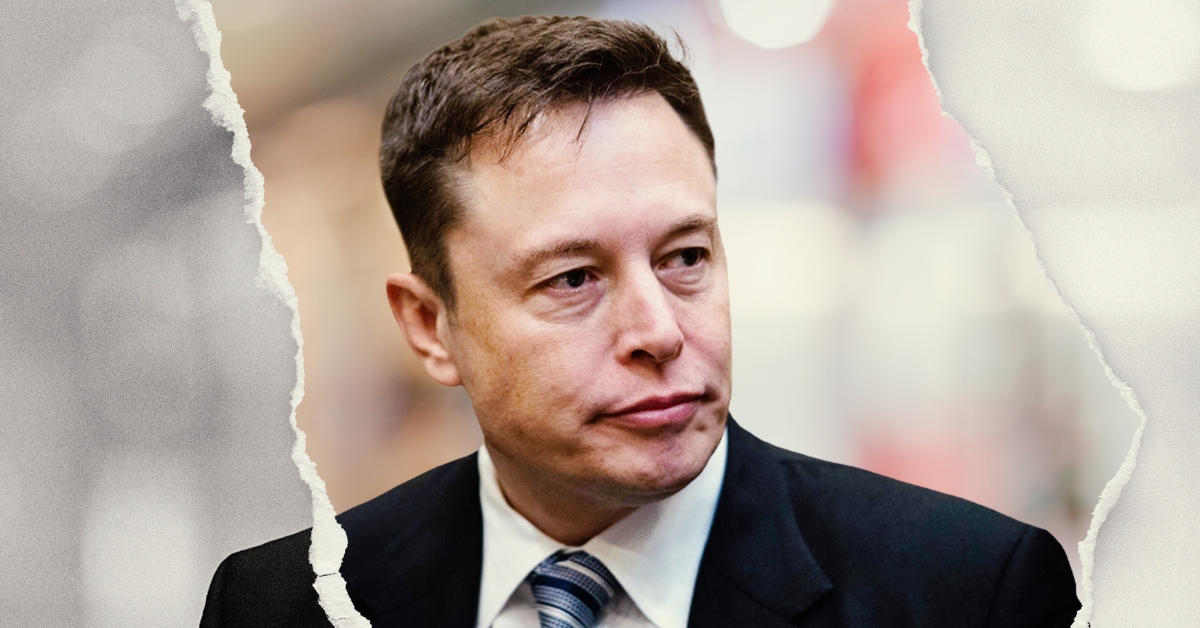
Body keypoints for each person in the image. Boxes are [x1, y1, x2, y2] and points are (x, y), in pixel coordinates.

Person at [200, 15, 1080, 628]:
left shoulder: (967, 594)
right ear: (431, 326)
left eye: (685, 258)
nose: (659, 331)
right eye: (574, 278)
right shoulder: (284, 606)